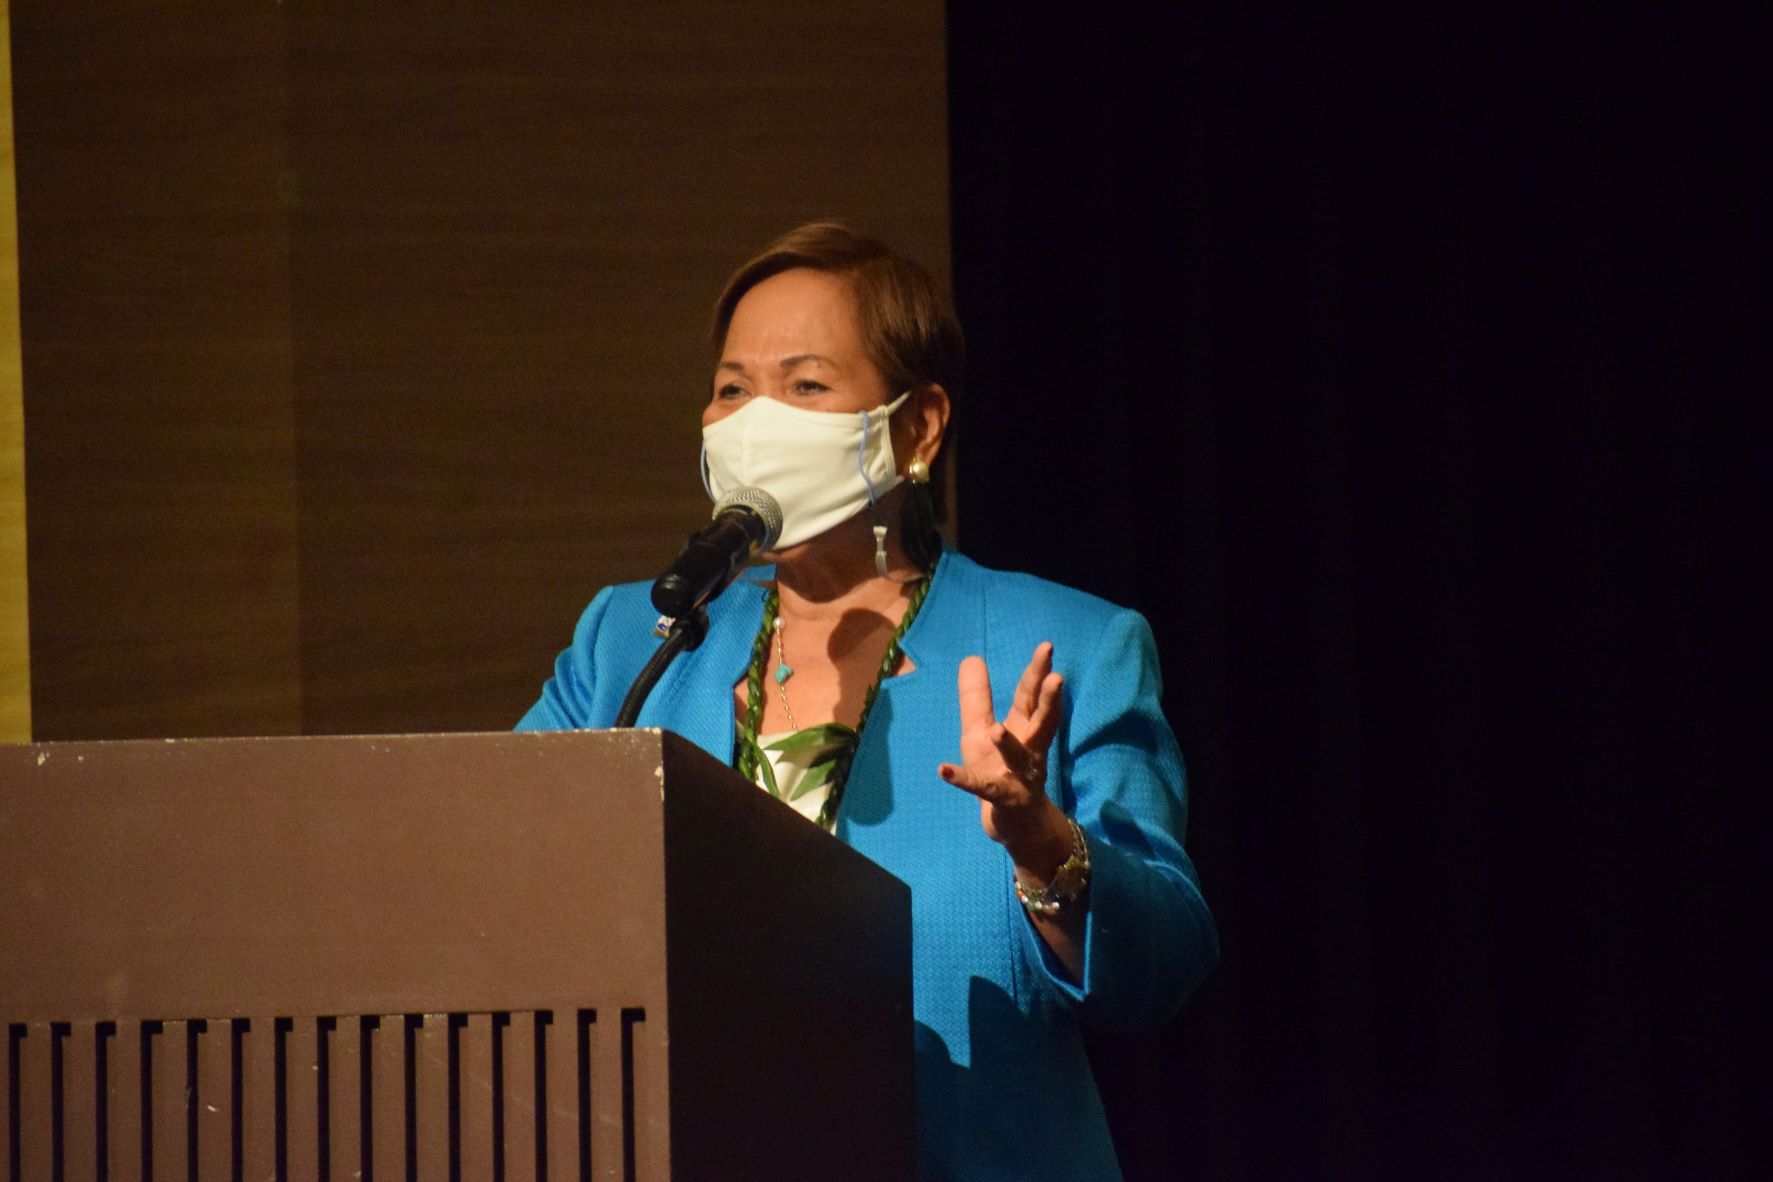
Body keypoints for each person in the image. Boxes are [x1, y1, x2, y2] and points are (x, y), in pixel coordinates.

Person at [517, 222, 1217, 1179]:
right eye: (731, 388)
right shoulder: (629, 640)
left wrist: (1041, 842)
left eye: (804, 386)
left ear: (916, 426)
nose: (754, 419)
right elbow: (498, 866)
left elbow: (1161, 968)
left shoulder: (1068, 645)